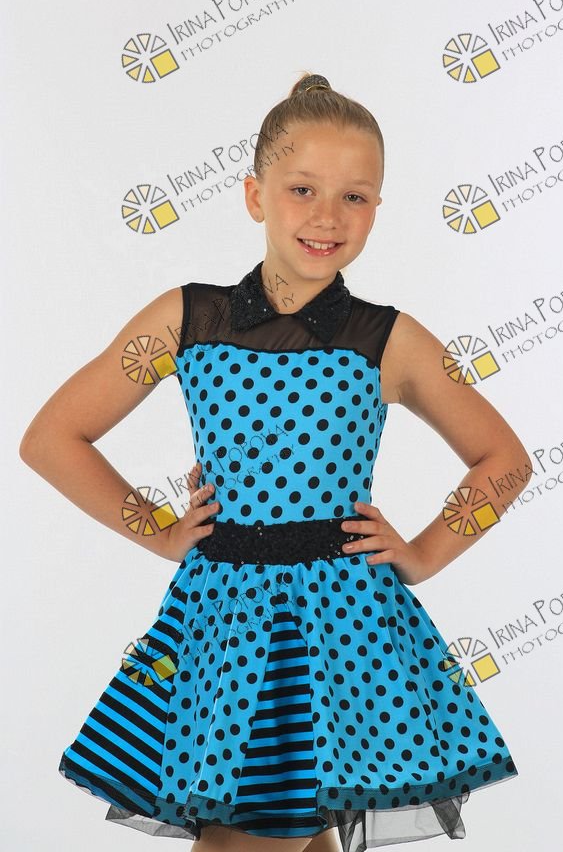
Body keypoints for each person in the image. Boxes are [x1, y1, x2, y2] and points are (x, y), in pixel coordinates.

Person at [19, 72, 532, 852]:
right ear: (255, 196)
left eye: (354, 197)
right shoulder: (189, 319)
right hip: (223, 623)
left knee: (251, 834)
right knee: (265, 832)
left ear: (378, 208)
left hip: (342, 628)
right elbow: (53, 438)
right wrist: (158, 531)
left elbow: (503, 460)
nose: (327, 216)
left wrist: (424, 554)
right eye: (301, 189)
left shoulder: (385, 339)